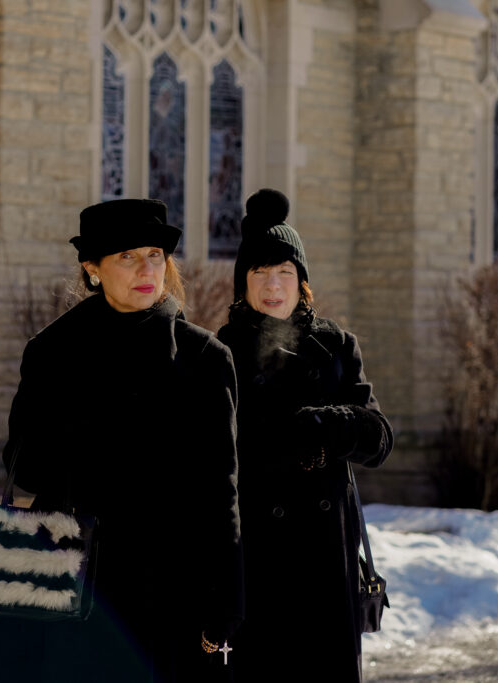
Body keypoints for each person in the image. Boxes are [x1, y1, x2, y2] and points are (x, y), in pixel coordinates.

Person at [0, 199, 244, 683]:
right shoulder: (52, 351)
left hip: (166, 586)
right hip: (68, 579)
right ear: (92, 269)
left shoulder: (205, 358)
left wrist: (225, 596)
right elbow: (26, 468)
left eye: (155, 255)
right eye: (127, 257)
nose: (147, 269)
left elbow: (219, 489)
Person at [216, 189, 394, 682]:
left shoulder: (337, 346)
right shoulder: (220, 353)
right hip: (258, 563)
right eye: (260, 273)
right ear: (243, 283)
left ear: (303, 281)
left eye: (285, 273)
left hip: (328, 564)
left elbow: (379, 439)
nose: (273, 286)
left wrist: (326, 425)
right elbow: (219, 460)